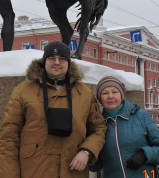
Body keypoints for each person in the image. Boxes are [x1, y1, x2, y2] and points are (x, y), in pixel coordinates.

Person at [0, 41, 107, 178]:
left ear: (69, 62)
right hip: (34, 172)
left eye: (62, 58)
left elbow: (99, 128)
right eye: (51, 58)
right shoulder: (23, 91)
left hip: (72, 172)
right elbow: (9, 136)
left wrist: (87, 151)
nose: (57, 62)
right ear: (44, 61)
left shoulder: (84, 93)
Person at [90, 76, 159, 178]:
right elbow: (95, 166)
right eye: (105, 93)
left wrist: (145, 155)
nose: (110, 96)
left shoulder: (141, 116)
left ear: (121, 95)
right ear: (100, 98)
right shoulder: (98, 124)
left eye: (115, 92)